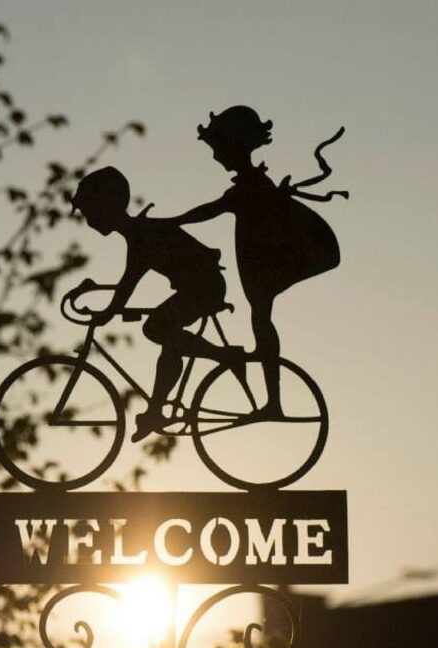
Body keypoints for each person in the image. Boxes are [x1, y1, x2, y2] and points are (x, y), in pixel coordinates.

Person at [161, 106, 347, 418]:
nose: (216, 157)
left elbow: (211, 209)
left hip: (268, 258)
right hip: (260, 256)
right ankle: (271, 398)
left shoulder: (250, 187)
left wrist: (170, 222)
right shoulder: (252, 184)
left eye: (218, 149)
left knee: (261, 316)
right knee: (260, 316)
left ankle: (273, 403)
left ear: (233, 146)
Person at [70, 166, 244, 442]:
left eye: (89, 212)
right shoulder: (137, 233)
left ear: (105, 207)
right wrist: (102, 297)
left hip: (205, 287)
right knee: (161, 330)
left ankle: (224, 359)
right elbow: (128, 280)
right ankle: (156, 411)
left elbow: (128, 283)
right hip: (199, 285)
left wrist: (106, 313)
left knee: (158, 329)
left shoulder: (140, 235)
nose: (89, 220)